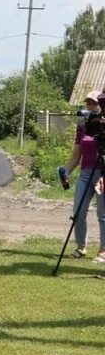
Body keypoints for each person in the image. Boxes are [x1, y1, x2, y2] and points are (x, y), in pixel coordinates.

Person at [61, 90, 105, 261]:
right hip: (85, 173)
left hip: (102, 173)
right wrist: (66, 172)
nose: (91, 106)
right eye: (88, 103)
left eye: (94, 103)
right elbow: (75, 155)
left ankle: (103, 250)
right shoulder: (82, 127)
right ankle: (81, 247)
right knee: (78, 211)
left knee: (102, 215)